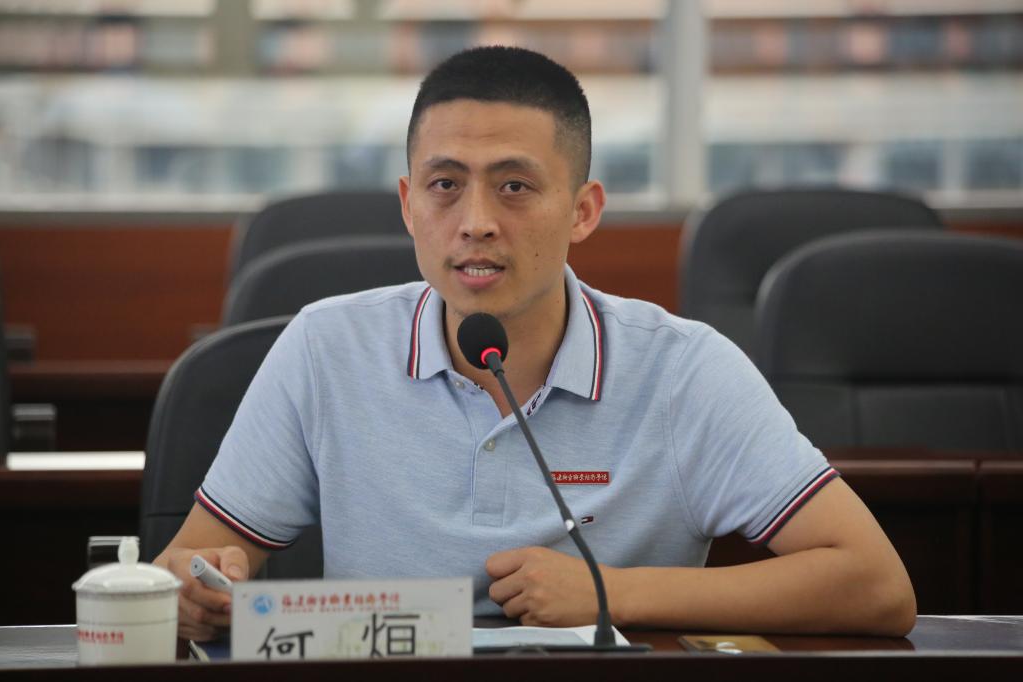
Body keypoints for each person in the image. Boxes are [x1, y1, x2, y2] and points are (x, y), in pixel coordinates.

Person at [155, 46, 915, 642]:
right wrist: (194, 589)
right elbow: (189, 561)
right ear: (409, 205)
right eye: (445, 185)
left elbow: (877, 586)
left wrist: (612, 593)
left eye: (514, 186)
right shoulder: (325, 349)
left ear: (583, 211)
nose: (476, 222)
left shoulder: (685, 369)